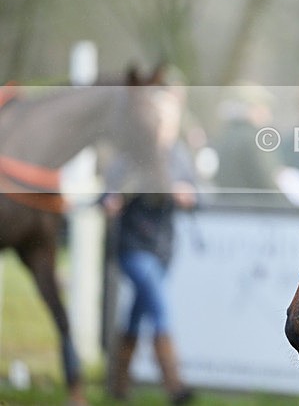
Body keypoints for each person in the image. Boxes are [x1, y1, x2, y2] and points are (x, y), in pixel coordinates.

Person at [102, 87, 196, 405]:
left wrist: (187, 195)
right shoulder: (131, 156)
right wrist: (110, 201)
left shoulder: (179, 156)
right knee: (158, 307)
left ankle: (117, 381)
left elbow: (198, 196)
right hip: (133, 246)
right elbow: (107, 191)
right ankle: (175, 385)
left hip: (163, 248)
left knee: (137, 312)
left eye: (170, 119)